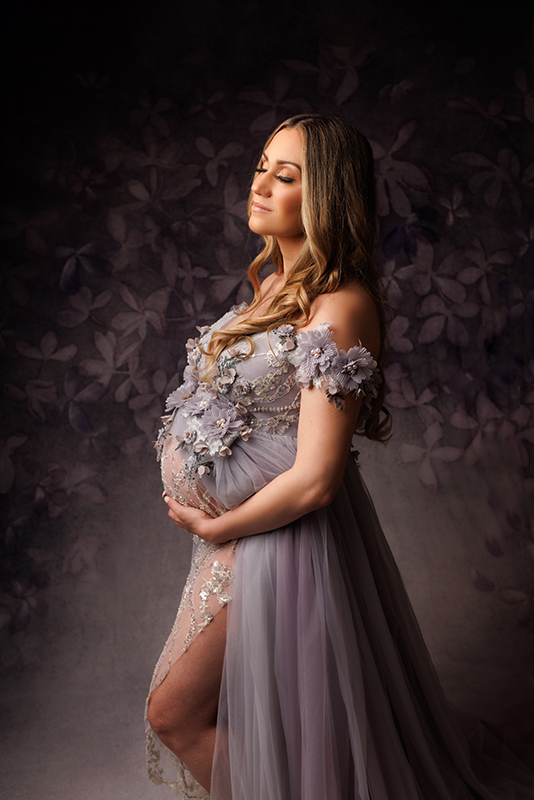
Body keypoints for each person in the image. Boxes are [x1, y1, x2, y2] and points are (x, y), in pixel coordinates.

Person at [145, 114, 534, 800]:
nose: (260, 184)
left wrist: (218, 526)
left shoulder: (342, 305)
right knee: (236, 721)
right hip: (234, 545)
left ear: (325, 195)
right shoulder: (271, 286)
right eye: (262, 165)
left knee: (175, 713)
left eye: (286, 175)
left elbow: (319, 477)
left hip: (272, 544)